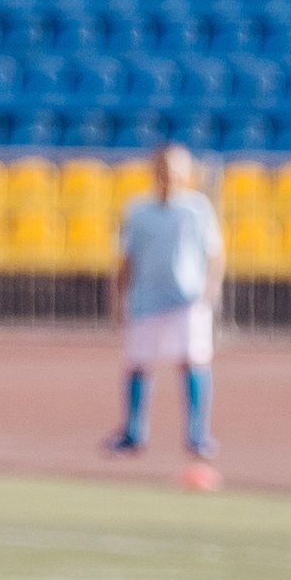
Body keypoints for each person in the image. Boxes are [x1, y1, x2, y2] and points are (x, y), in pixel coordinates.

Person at [103, 141, 225, 490]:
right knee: (138, 362)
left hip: (186, 298)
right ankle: (133, 432)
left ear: (186, 173)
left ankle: (197, 435)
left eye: (175, 170)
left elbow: (214, 252)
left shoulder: (196, 209)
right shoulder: (138, 210)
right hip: (146, 298)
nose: (169, 176)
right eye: (163, 169)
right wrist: (119, 297)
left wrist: (210, 288)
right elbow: (126, 257)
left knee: (192, 361)